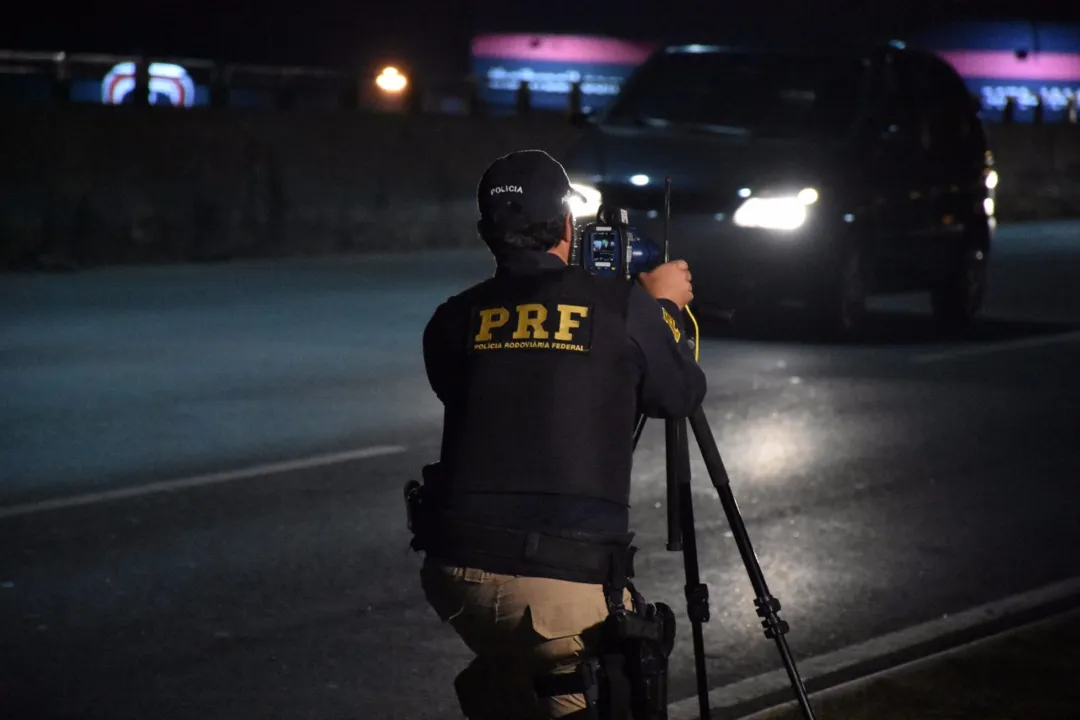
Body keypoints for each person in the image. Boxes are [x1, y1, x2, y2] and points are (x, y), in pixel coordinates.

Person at [413, 149, 707, 720]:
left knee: (514, 669)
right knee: (604, 680)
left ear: (486, 234)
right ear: (570, 227)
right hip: (561, 585)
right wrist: (662, 309)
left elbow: (472, 392)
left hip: (457, 578)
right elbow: (678, 394)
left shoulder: (452, 317)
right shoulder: (622, 307)